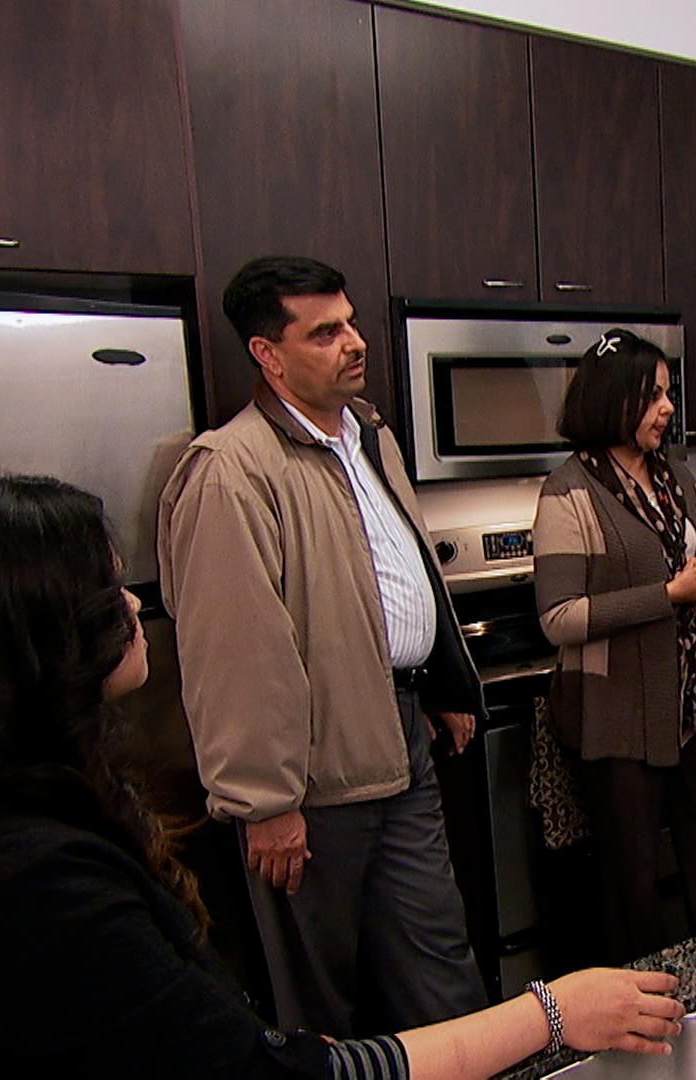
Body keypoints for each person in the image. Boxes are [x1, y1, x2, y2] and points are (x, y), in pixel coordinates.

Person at [0, 474, 686, 1078]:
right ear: (21, 645)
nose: (133, 603)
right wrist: (552, 1013)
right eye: (105, 588)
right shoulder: (26, 888)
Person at [158, 256, 485, 1035]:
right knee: (321, 998)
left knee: (438, 964)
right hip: (310, 771)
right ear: (267, 354)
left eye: (351, 322)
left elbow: (396, 573)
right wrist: (265, 802)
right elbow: (235, 652)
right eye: (325, 332)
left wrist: (439, 683)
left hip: (400, 735)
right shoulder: (232, 471)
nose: (355, 341)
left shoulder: (370, 437)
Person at [532, 328, 696, 963]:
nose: (668, 407)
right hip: (618, 715)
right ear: (614, 399)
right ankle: (644, 1005)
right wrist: (668, 595)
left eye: (667, 393)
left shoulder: (678, 476)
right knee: (632, 883)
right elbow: (559, 617)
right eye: (653, 395)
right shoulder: (568, 492)